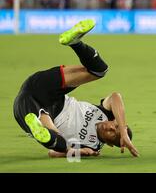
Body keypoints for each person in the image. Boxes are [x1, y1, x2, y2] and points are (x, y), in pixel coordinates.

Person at [13, 19, 139, 158]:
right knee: (100, 70)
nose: (110, 128)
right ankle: (75, 42)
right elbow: (115, 96)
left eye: (113, 134)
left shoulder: (92, 146)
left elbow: (52, 153)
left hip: (35, 112)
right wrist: (123, 129)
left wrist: (78, 152)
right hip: (48, 90)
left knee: (59, 143)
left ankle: (37, 128)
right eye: (115, 127)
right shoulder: (105, 113)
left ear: (109, 144)